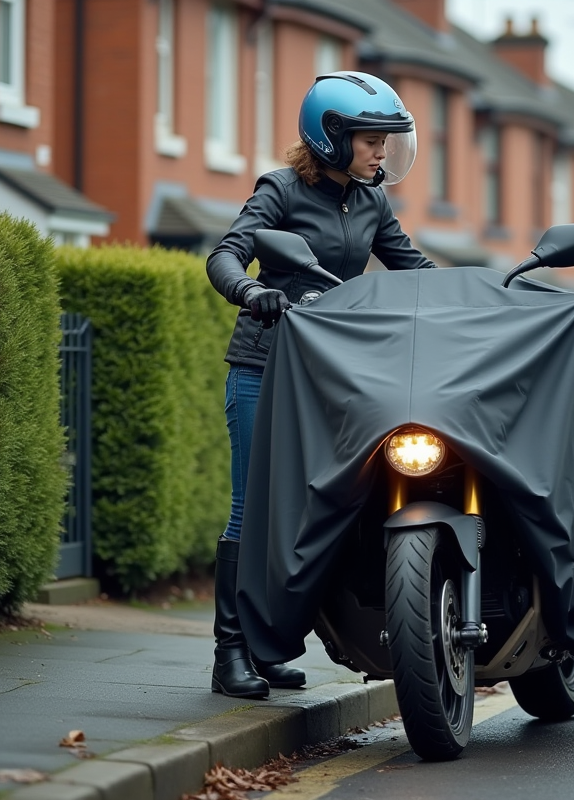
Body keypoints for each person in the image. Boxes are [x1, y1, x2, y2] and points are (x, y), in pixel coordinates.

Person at [205, 71, 438, 698]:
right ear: (332, 138)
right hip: (263, 368)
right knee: (251, 512)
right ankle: (231, 654)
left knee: (314, 510)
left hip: (333, 376)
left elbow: (414, 269)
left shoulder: (373, 202)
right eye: (371, 140)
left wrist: (483, 295)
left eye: (387, 140)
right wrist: (253, 291)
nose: (382, 152)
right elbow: (224, 256)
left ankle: (271, 643)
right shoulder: (280, 191)